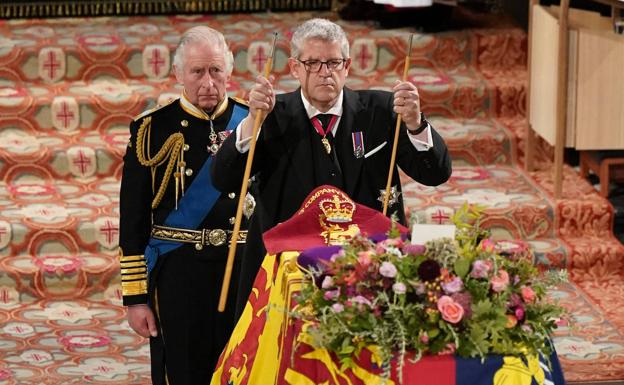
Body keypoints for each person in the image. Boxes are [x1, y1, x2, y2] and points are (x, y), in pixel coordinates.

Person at [211, 18, 452, 316]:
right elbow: (223, 178)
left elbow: (435, 174)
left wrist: (415, 124)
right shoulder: (270, 115)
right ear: (294, 67)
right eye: (312, 63)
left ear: (347, 65)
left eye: (334, 62)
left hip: (369, 265)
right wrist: (251, 124)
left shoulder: (381, 111)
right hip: (288, 267)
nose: (325, 73)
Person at [118, 26, 250, 385]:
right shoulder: (152, 130)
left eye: (216, 70)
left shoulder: (255, 124)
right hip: (180, 273)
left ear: (230, 70)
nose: (208, 82)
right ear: (178, 74)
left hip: (242, 271)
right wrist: (136, 299)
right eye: (197, 72)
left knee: (245, 368)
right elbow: (132, 220)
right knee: (186, 372)